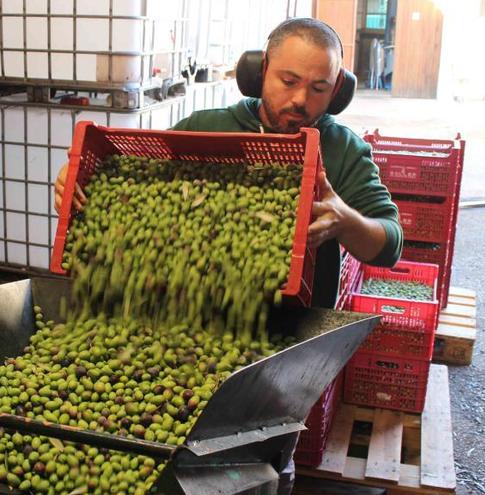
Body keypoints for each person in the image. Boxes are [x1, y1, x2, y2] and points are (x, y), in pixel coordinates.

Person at [55, 17, 402, 494]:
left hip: (280, 349)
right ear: (260, 72)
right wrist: (79, 185)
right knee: (167, 450)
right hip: (182, 329)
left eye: (320, 89)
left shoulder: (342, 151)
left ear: (337, 90)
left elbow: (390, 241)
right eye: (289, 81)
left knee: (265, 457)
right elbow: (132, 181)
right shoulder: (206, 127)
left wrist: (346, 219)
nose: (301, 100)